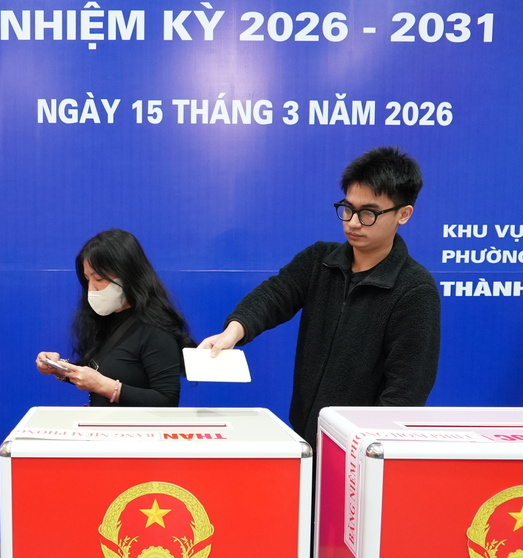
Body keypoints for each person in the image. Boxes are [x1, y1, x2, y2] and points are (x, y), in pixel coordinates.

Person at [198, 146, 440, 445]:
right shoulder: (320, 260)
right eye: (348, 208)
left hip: (361, 450)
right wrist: (234, 331)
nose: (352, 222)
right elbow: (276, 294)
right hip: (305, 436)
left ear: (403, 214)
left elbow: (406, 392)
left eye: (369, 213)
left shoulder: (414, 289)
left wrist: (366, 449)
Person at [36, 229, 192, 407]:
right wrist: (60, 368)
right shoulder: (107, 320)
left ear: (128, 275)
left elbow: (167, 400)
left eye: (99, 279)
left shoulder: (155, 328)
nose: (91, 288)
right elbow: (98, 372)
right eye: (87, 279)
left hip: (136, 431)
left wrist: (104, 386)